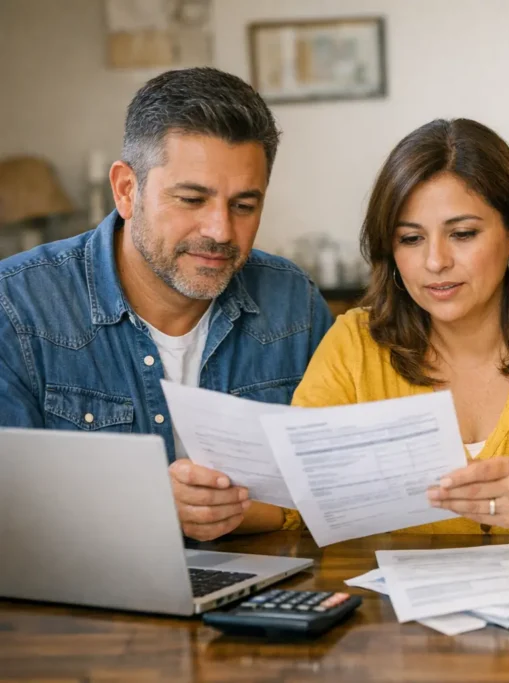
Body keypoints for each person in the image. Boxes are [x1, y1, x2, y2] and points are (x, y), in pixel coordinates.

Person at [184, 117, 509, 545]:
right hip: (396, 637)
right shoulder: (355, 343)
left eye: (463, 234)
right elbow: (295, 501)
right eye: (410, 238)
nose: (436, 262)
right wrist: (211, 507)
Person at [0, 67, 333, 541]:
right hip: (87, 603)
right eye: (192, 199)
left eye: (243, 205)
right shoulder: (17, 308)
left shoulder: (293, 303)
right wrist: (143, 505)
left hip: (268, 591)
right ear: (126, 190)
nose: (220, 230)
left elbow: (336, 487)